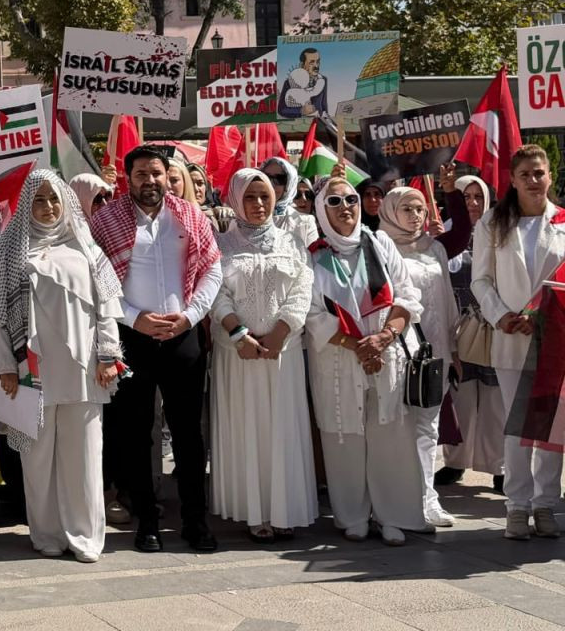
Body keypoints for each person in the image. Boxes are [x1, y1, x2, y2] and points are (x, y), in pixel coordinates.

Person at [89, 146, 222, 553]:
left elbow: (213, 268)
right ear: (127, 179)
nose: (150, 181)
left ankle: (195, 522)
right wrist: (134, 318)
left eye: (157, 173)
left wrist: (191, 315)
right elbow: (99, 283)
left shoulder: (190, 216)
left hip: (182, 335)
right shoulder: (105, 220)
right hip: (133, 338)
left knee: (188, 434)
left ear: (168, 176)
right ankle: (146, 520)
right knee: (136, 433)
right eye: (142, 174)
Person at [0, 171, 123, 562]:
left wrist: (109, 356)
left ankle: (85, 537)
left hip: (84, 371)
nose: (47, 207)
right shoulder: (9, 254)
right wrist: (5, 366)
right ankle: (46, 535)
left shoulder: (87, 250)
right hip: (32, 373)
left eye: (54, 199)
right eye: (38, 200)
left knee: (84, 456)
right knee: (38, 457)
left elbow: (107, 309)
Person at [305, 177, 426, 546]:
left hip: (385, 352)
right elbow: (312, 313)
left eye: (352, 199)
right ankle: (352, 514)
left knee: (389, 432)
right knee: (343, 435)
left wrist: (384, 337)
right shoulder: (312, 254)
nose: (346, 208)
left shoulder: (379, 242)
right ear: (322, 211)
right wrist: (357, 345)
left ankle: (392, 514)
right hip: (339, 359)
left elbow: (407, 296)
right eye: (335, 201)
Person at [210, 169, 317, 543]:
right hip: (236, 354)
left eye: (265, 197)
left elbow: (303, 290)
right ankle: (254, 512)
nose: (258, 204)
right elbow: (215, 293)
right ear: (236, 199)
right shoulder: (221, 244)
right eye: (250, 197)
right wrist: (238, 333)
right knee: (247, 428)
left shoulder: (292, 242)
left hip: (281, 354)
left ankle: (285, 510)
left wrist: (280, 332)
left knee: (282, 430)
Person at [471, 144, 565, 540]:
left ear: (550, 176)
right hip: (510, 339)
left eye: (539, 173)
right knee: (517, 425)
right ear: (512, 179)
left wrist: (541, 314)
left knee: (552, 426)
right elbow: (481, 279)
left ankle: (546, 504)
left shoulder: (562, 221)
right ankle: (516, 506)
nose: (533, 181)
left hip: (554, 340)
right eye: (525, 174)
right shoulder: (493, 223)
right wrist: (502, 314)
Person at [375, 166, 470, 530]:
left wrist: (451, 192)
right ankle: (398, 501)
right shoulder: (379, 247)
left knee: (428, 428)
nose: (415, 216)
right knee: (398, 429)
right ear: (389, 211)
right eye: (407, 209)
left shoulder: (435, 248)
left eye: (420, 210)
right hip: (396, 352)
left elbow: (460, 235)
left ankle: (428, 499)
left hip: (436, 353)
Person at [439, 175, 504, 487]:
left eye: (479, 196)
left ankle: (499, 467)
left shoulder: (501, 232)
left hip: (495, 326)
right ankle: (455, 462)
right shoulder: (443, 233)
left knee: (495, 400)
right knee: (460, 396)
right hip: (458, 328)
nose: (474, 203)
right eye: (466, 196)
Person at [260, 156, 317, 250]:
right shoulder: (243, 220)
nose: (271, 184)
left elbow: (312, 260)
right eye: (266, 177)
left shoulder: (305, 222)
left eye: (279, 179)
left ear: (289, 184)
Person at [186, 163, 234, 233]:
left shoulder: (222, 215)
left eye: (200, 183)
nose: (196, 189)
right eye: (190, 183)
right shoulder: (173, 218)